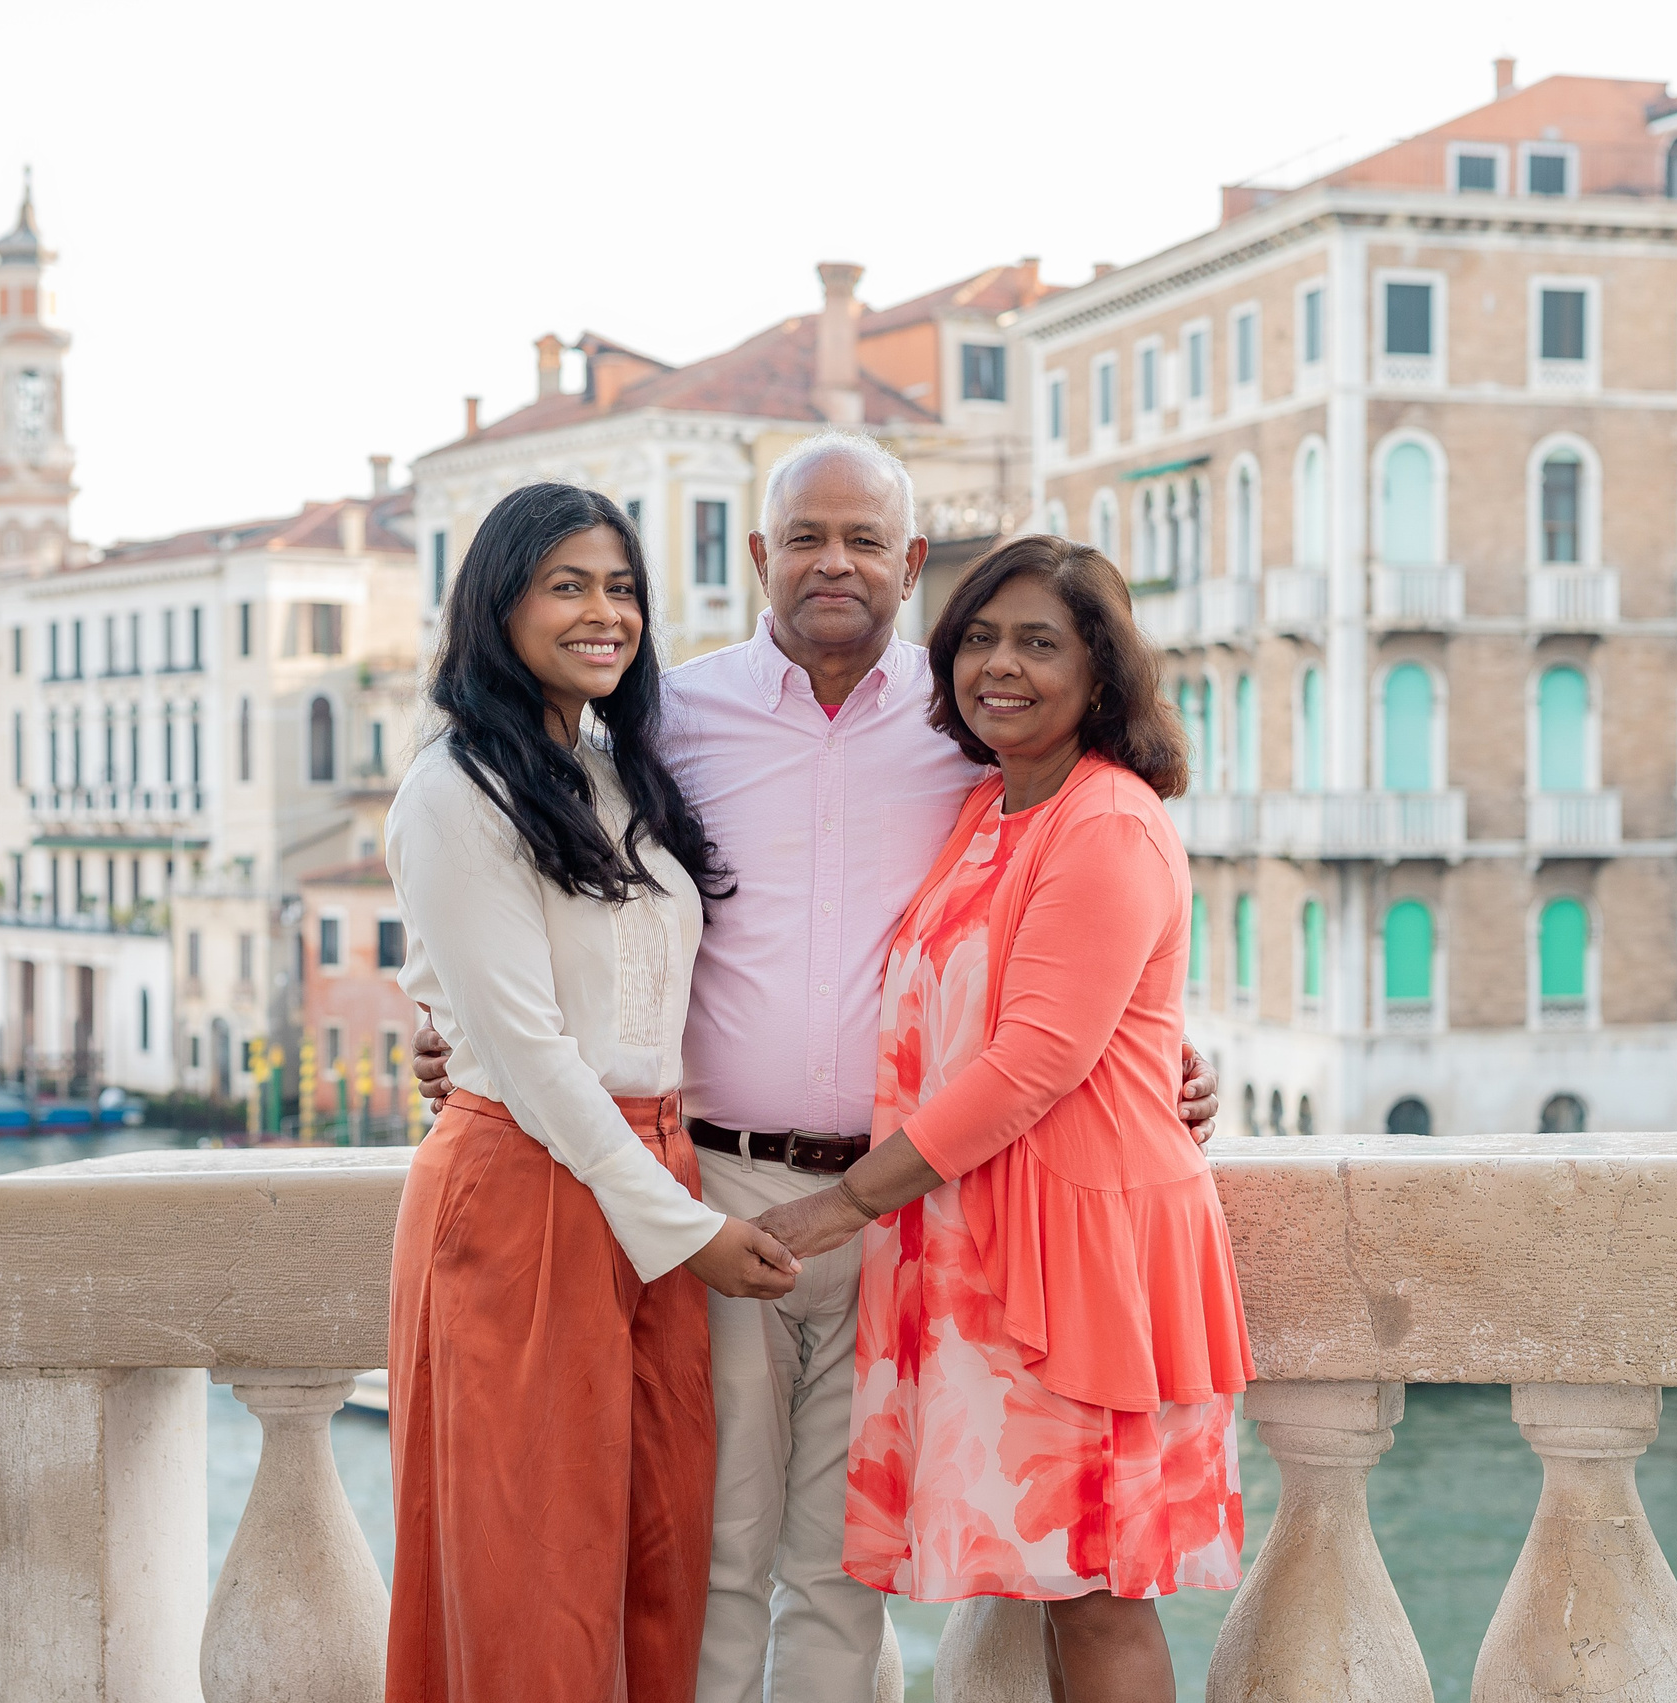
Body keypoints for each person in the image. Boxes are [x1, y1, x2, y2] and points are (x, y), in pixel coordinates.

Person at [413, 436, 1220, 1701]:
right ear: (758, 557)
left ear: (909, 562)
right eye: (803, 537)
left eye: (862, 540)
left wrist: (1162, 1043)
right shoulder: (662, 719)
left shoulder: (973, 728)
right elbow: (535, 884)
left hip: (915, 1210)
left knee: (850, 1566)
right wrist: (451, 1023)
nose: (831, 562)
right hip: (714, 1191)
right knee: (714, 1550)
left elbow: (1062, 917)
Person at [753, 535, 1254, 1703]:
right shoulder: (989, 806)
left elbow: (1034, 1058)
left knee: (1095, 1586)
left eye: (1040, 641)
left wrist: (841, 1203)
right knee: (1044, 1574)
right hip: (984, 1239)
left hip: (1080, 1250)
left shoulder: (1108, 822)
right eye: (978, 637)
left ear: (1102, 670)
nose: (1001, 666)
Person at [381, 481, 801, 1703]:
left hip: (645, 1183)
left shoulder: (617, 773)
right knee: (529, 1578)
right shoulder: (456, 790)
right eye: (567, 584)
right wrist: (690, 1231)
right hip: (529, 1192)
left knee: (654, 1557)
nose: (602, 613)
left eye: (621, 587)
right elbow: (525, 1055)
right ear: (498, 602)